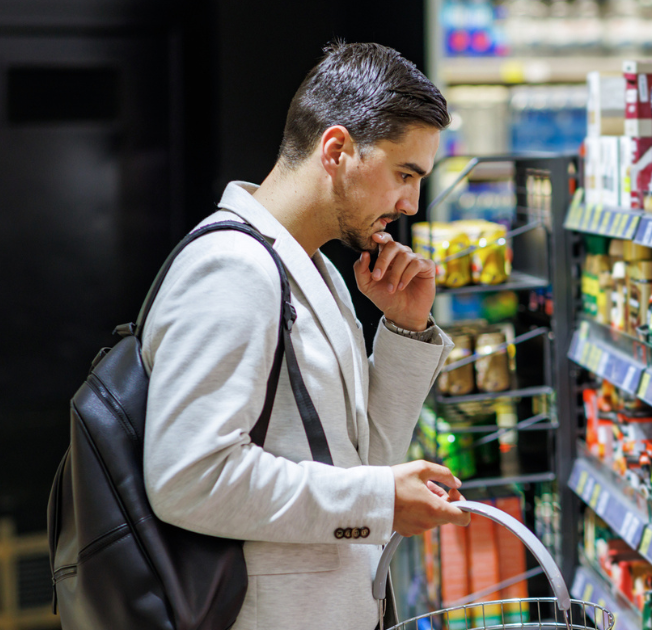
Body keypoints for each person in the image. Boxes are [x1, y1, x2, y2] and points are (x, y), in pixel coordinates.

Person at [140, 42, 472, 629]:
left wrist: (403, 329)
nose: (411, 203)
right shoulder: (234, 269)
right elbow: (187, 478)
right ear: (337, 149)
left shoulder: (310, 267)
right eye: (404, 174)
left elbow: (363, 461)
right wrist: (379, 501)